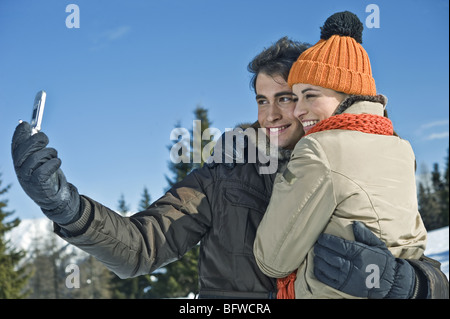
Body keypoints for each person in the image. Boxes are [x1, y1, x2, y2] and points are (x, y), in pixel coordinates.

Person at [11, 35, 448, 299]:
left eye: (286, 98)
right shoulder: (224, 174)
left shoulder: (358, 162)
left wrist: (411, 285)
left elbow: (418, 260)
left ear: (312, 99)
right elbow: (142, 246)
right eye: (262, 100)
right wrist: (65, 207)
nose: (272, 114)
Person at [254, 11, 435, 299]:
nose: (299, 110)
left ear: (346, 93)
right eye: (296, 97)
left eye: (310, 95)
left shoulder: (319, 149)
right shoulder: (400, 146)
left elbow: (272, 259)